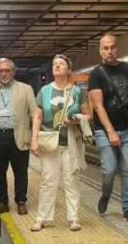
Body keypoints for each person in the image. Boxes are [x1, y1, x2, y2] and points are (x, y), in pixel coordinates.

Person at [30, 54, 92, 232]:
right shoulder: (45, 91)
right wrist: (34, 139)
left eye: (61, 64)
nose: (56, 66)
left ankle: (73, 218)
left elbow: (88, 115)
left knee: (71, 179)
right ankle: (43, 218)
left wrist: (77, 118)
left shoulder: (78, 92)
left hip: (71, 141)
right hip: (50, 141)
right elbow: (38, 116)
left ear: (69, 70)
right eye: (54, 64)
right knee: (48, 180)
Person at [88, 34, 128, 224]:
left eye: (112, 47)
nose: (109, 51)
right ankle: (105, 194)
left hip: (126, 128)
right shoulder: (96, 74)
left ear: (117, 48)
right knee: (109, 171)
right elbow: (98, 106)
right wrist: (110, 132)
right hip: (105, 132)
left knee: (127, 169)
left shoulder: (126, 68)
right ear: (100, 51)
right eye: (105, 48)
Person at [0, 58, 37, 215]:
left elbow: (34, 113)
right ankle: (1, 201)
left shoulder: (26, 89)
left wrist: (35, 138)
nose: (4, 73)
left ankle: (21, 201)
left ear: (13, 71)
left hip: (18, 135)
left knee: (21, 171)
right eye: (0, 71)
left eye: (7, 70)